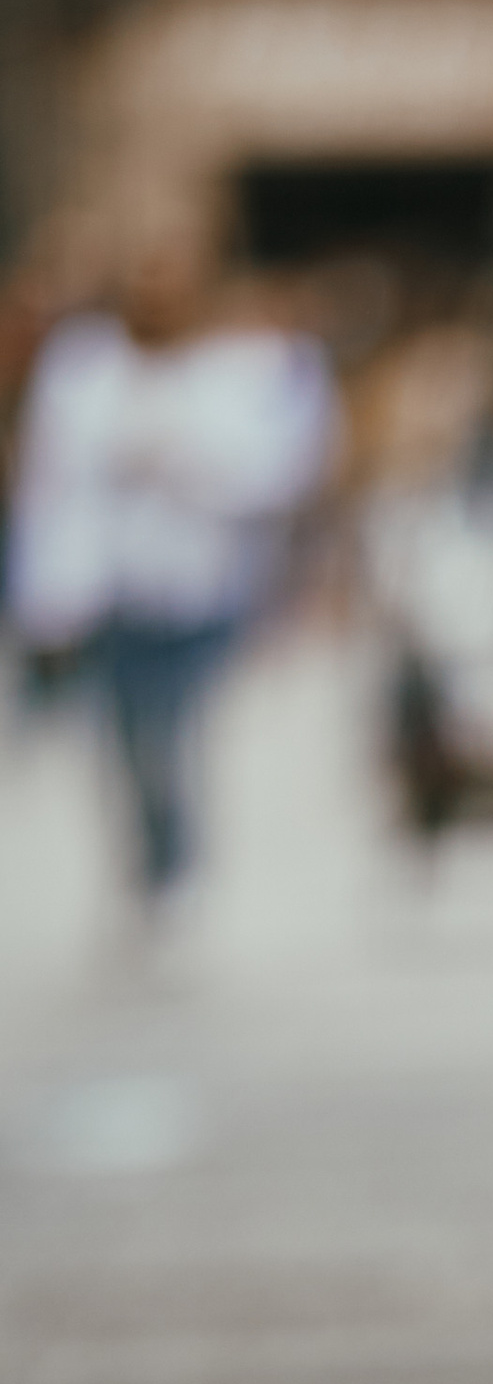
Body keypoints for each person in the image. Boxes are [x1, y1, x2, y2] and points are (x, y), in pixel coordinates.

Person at [6, 241, 336, 898]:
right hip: (117, 597)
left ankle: (179, 860)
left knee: (179, 733)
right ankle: (150, 855)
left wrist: (184, 461)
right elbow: (54, 486)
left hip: (199, 591)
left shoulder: (231, 376)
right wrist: (46, 596)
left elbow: (276, 472)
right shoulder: (87, 376)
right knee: (128, 738)